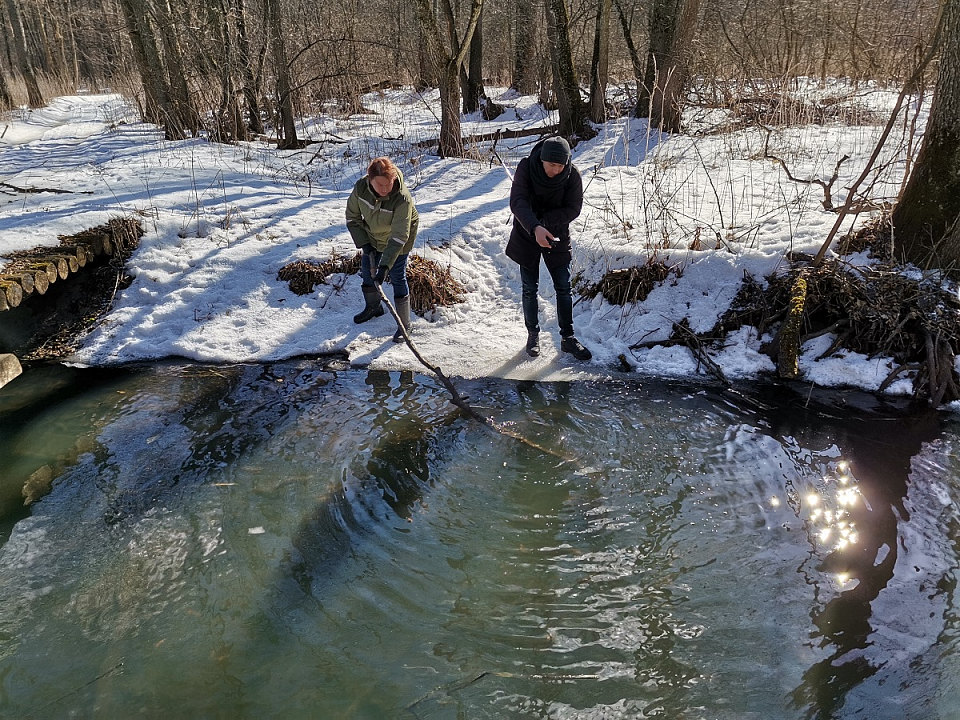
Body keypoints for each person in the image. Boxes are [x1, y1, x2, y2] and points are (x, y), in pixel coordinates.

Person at [506, 136, 592, 360]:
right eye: (551, 165)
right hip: (527, 233)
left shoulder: (572, 175)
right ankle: (532, 335)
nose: (556, 170)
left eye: (560, 165)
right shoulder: (526, 167)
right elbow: (518, 201)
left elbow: (573, 208)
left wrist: (544, 223)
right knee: (529, 288)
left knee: (564, 287)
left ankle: (568, 338)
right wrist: (534, 227)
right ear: (542, 160)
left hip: (557, 234)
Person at [346, 156, 419, 342]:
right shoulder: (361, 189)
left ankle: (405, 325)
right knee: (367, 271)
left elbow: (398, 235)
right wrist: (365, 244)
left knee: (396, 274)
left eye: (389, 184)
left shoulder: (402, 198)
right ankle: (373, 308)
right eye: (380, 185)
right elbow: (352, 218)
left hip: (399, 238)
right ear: (370, 180)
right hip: (373, 235)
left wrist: (385, 266)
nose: (385, 189)